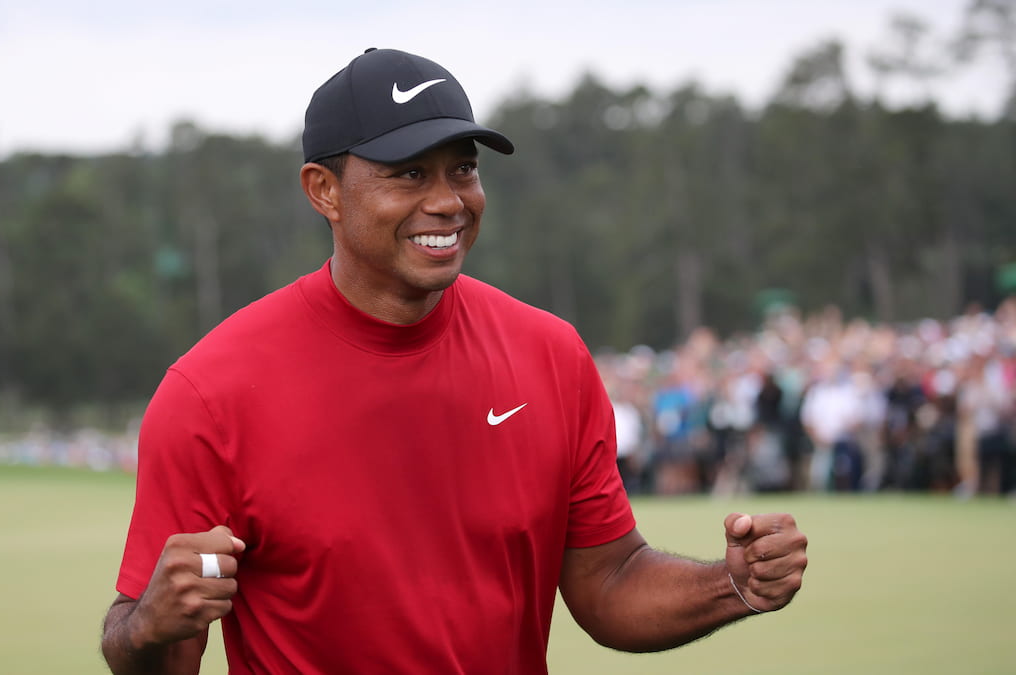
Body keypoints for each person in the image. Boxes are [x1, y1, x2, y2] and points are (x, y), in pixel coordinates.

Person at [100, 48, 808, 674]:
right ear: (324, 190)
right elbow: (158, 644)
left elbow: (609, 580)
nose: (448, 202)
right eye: (408, 174)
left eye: (462, 170)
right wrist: (144, 629)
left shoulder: (550, 355)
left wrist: (733, 583)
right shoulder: (211, 392)